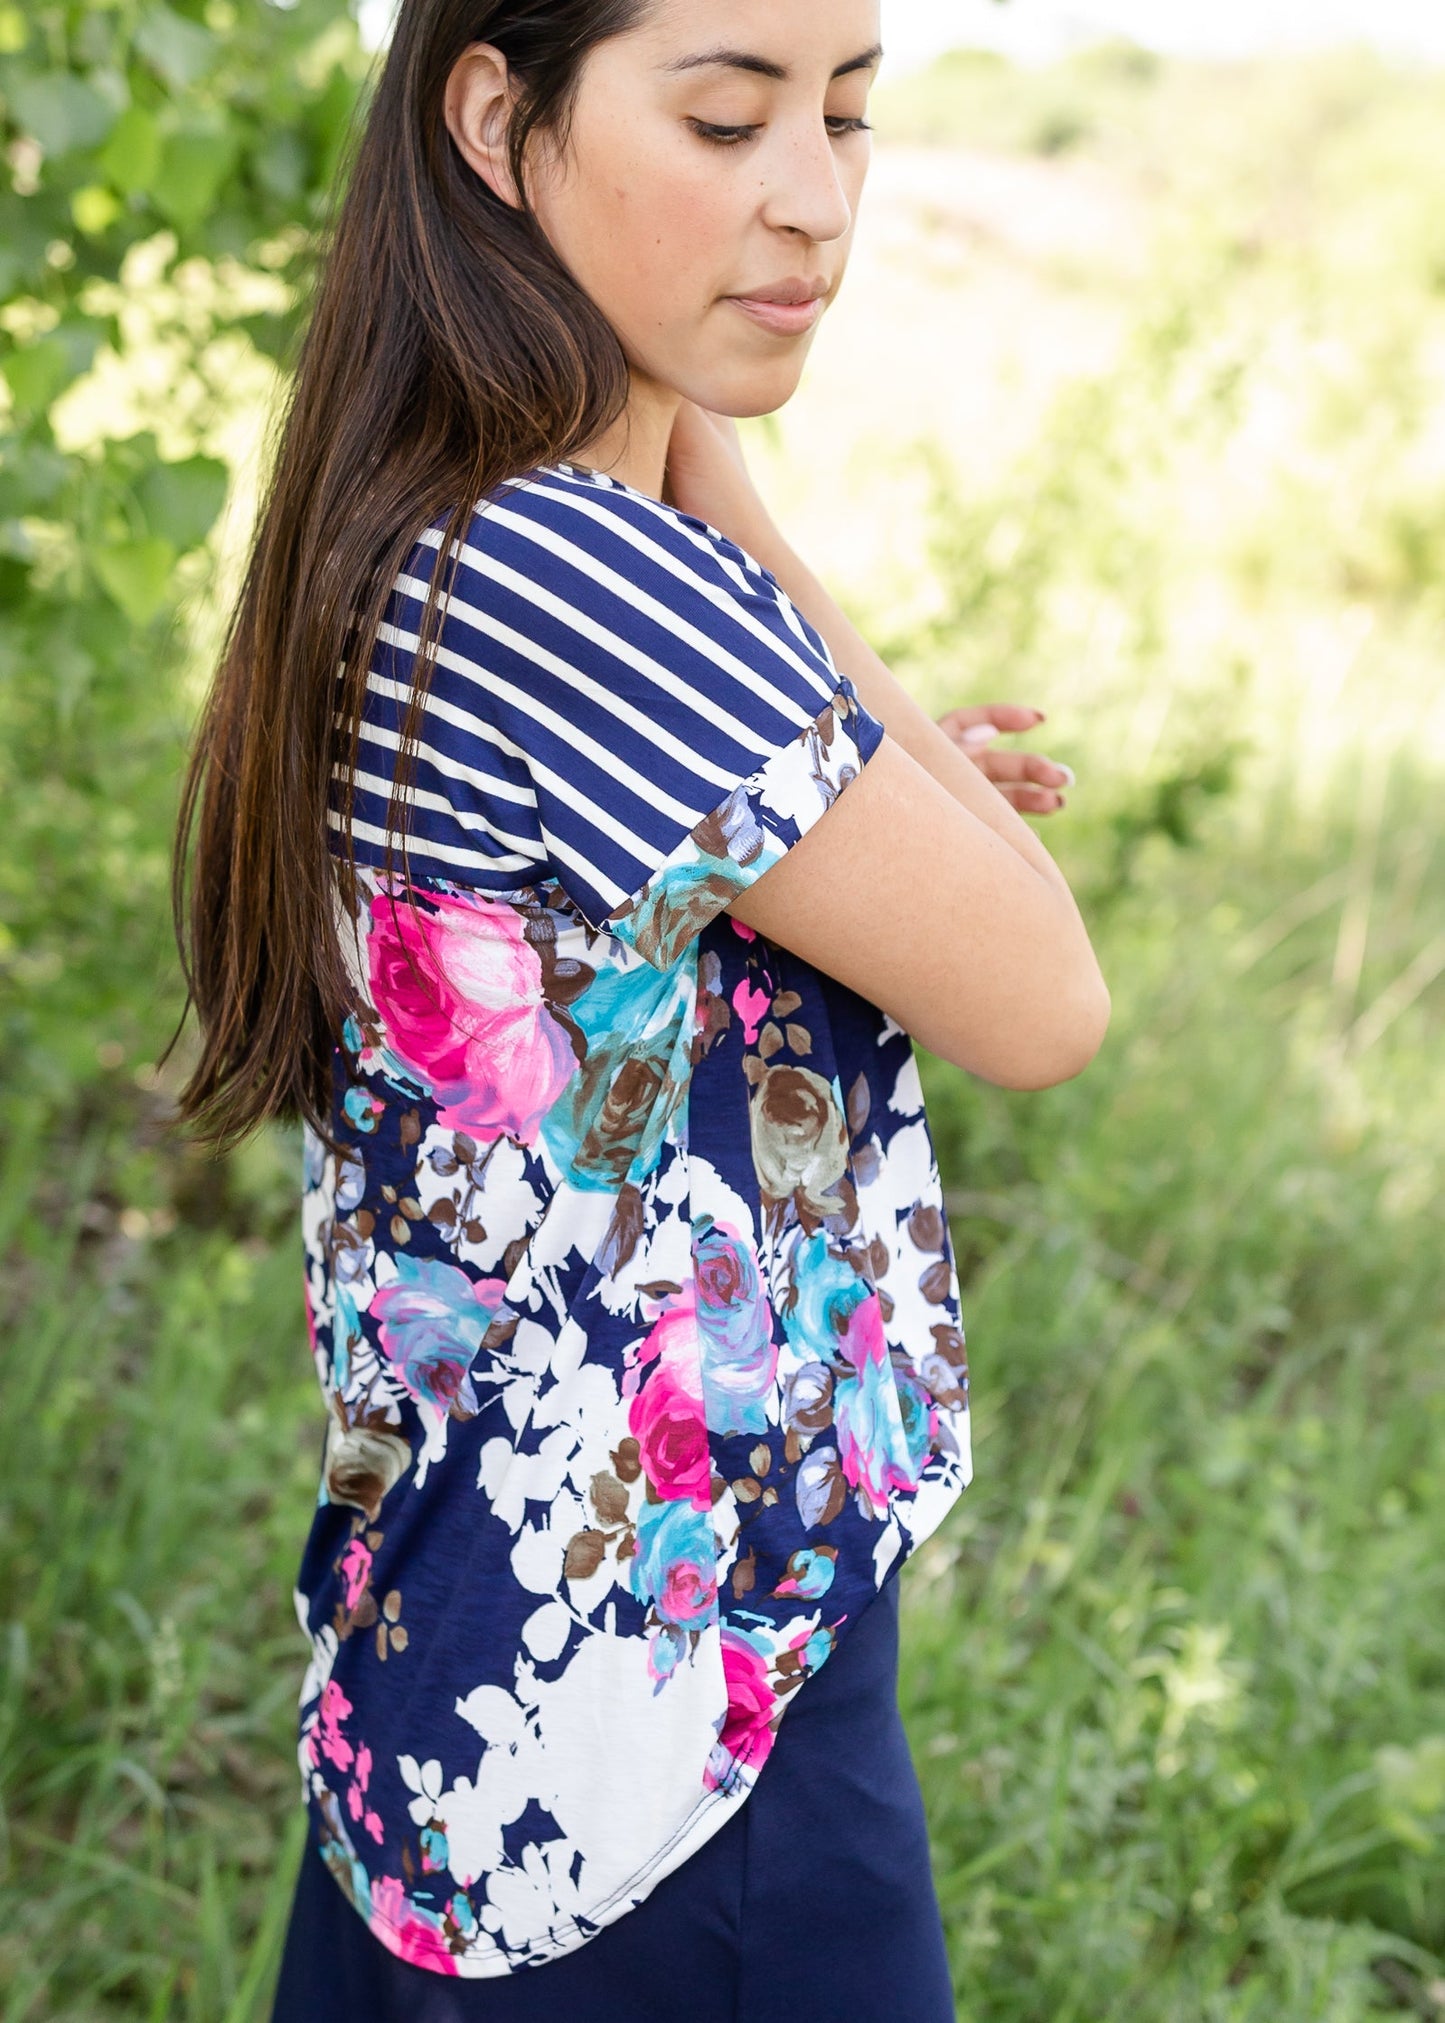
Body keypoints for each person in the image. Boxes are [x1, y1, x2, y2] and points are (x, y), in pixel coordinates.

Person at [173, 1, 1109, 2015]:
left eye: (850, 116)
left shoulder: (416, 527)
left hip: (441, 1694)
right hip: (682, 1753)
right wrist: (733, 501)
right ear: (499, 119)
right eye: (726, 113)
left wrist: (822, 716)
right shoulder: (598, 575)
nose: (815, 203)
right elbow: (1049, 991)